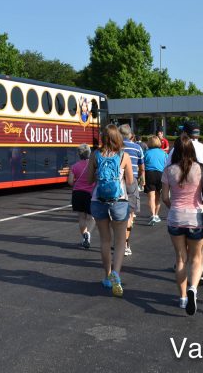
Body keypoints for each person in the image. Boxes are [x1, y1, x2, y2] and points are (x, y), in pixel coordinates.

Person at [162, 133, 203, 316]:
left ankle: (183, 297)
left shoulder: (168, 170)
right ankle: (193, 289)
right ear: (191, 150)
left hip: (175, 217)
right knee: (196, 258)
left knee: (180, 258)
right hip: (196, 218)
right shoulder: (200, 168)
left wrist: (173, 207)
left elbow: (165, 197)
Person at [85, 124, 134, 297]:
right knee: (120, 241)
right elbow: (129, 181)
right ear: (118, 138)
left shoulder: (95, 155)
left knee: (105, 240)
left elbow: (89, 179)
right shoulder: (124, 156)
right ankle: (116, 273)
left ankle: (106, 276)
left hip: (98, 200)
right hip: (119, 201)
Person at [172, 121, 203, 286]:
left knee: (182, 244)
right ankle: (202, 270)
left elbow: (168, 171)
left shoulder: (175, 149)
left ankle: (185, 266)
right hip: (202, 199)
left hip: (179, 204)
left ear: (184, 133)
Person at [118, 124, 144, 256]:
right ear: (130, 135)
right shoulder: (137, 147)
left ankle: (119, 242)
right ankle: (126, 243)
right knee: (130, 214)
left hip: (117, 182)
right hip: (131, 181)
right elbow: (141, 167)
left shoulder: (116, 147)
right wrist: (141, 178)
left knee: (117, 214)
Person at [68, 143, 96, 249]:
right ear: (89, 153)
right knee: (91, 217)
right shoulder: (93, 165)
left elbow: (70, 181)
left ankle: (84, 237)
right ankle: (88, 234)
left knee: (81, 217)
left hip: (77, 193)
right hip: (90, 193)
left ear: (79, 154)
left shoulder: (74, 166)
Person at [143, 135, 168, 225]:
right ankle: (156, 215)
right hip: (160, 174)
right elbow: (167, 166)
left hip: (149, 174)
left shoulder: (146, 153)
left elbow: (142, 165)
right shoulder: (164, 153)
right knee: (158, 196)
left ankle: (153, 215)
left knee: (151, 196)